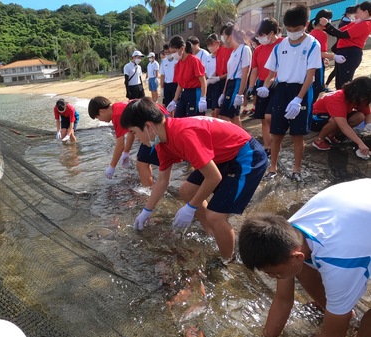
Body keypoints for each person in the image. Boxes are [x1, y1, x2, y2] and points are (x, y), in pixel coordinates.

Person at [238, 179, 371, 337]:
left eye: (274, 274)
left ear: (297, 256)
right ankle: (340, 313)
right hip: (359, 207)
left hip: (353, 234)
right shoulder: (287, 233)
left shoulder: (340, 266)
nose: (272, 277)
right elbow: (283, 300)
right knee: (297, 271)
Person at [119, 97, 268, 259]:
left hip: (246, 155)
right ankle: (212, 233)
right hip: (221, 155)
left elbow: (213, 177)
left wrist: (190, 208)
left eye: (134, 132)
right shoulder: (162, 141)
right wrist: (146, 211)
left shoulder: (182, 134)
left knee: (215, 216)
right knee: (187, 191)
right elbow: (163, 180)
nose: (136, 139)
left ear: (148, 126)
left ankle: (227, 261)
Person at [259, 5, 322, 182]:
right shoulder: (280, 46)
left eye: (297, 29)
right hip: (282, 90)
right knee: (276, 133)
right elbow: (271, 74)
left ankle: (297, 169)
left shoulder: (312, 44)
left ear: (306, 24)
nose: (293, 32)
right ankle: (273, 167)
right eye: (289, 29)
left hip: (301, 90)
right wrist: (265, 86)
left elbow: (310, 77)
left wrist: (298, 99)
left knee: (297, 134)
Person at [88, 96, 169, 187]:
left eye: (98, 117)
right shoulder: (118, 106)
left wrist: (112, 166)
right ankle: (149, 186)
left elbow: (120, 145)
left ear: (102, 111)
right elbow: (131, 131)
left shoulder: (116, 115)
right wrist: (126, 152)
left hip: (156, 125)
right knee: (142, 159)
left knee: (142, 164)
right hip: (161, 118)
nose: (101, 120)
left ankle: (148, 193)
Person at [247, 17, 283, 156]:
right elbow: (254, 69)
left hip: (278, 83)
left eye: (262, 34)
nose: (260, 38)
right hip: (262, 84)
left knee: (270, 116)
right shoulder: (258, 49)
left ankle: (276, 143)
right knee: (264, 117)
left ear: (272, 32)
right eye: (258, 35)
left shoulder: (283, 43)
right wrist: (251, 86)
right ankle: (267, 147)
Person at [311, 77, 371, 157]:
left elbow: (367, 113)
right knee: (336, 121)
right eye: (364, 97)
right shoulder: (338, 99)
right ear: (357, 93)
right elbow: (343, 126)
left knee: (359, 116)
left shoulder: (356, 97)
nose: (365, 100)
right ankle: (319, 140)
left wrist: (369, 124)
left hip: (331, 116)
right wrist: (360, 143)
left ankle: (331, 135)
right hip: (315, 119)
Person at [319, 1, 371, 89]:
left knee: (344, 84)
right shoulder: (356, 23)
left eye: (357, 12)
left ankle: (346, 102)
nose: (355, 15)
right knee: (339, 84)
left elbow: (343, 35)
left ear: (365, 12)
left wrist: (327, 25)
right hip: (343, 52)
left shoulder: (366, 24)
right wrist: (325, 27)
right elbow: (339, 32)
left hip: (350, 53)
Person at [218, 25, 252, 127]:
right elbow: (229, 75)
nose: (223, 39)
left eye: (224, 36)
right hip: (230, 85)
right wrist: (223, 94)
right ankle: (243, 141)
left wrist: (240, 94)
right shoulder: (233, 52)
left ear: (230, 36)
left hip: (237, 84)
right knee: (234, 117)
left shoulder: (245, 49)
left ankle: (239, 141)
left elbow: (245, 72)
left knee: (223, 117)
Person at [166, 36, 207, 118]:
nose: (173, 54)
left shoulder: (194, 60)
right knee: (179, 119)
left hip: (195, 93)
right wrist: (174, 100)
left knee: (192, 120)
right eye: (171, 52)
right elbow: (180, 85)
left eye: (174, 51)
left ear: (182, 49)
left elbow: (203, 81)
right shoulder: (177, 65)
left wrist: (203, 98)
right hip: (185, 94)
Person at [325, 6, 357, 89]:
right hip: (342, 49)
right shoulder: (345, 23)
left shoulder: (347, 22)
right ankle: (327, 85)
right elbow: (341, 35)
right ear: (349, 14)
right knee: (338, 72)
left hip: (340, 48)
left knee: (337, 70)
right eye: (354, 13)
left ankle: (327, 84)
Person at [308, 10, 335, 104]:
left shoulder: (310, 34)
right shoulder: (322, 34)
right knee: (317, 89)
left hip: (308, 65)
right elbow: (320, 53)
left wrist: (326, 57)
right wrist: (334, 56)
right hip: (317, 66)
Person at [204, 34, 221, 118]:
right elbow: (205, 72)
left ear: (218, 43)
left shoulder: (220, 55)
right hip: (210, 84)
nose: (210, 47)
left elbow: (219, 69)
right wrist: (205, 81)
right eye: (209, 45)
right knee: (212, 111)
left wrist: (211, 78)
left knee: (217, 111)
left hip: (218, 83)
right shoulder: (208, 57)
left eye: (212, 44)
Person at [159, 44, 178, 115]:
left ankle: (175, 119)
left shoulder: (177, 60)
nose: (167, 54)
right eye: (166, 52)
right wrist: (162, 88)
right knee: (168, 105)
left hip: (175, 84)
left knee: (175, 104)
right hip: (167, 85)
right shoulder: (164, 62)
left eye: (169, 52)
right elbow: (162, 75)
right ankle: (169, 119)